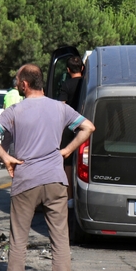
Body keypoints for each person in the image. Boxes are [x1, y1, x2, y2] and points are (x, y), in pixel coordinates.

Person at [0, 63, 95, 271]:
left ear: (24, 84)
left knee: (19, 239)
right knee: (60, 240)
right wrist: (66, 151)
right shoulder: (60, 108)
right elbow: (88, 127)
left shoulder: (14, 111)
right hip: (55, 180)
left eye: (16, 80)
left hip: (26, 181)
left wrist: (5, 157)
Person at [58, 55, 84, 198]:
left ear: (68, 70)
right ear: (82, 68)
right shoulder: (86, 83)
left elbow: (61, 105)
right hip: (85, 124)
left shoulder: (66, 85)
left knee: (67, 162)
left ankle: (70, 196)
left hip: (69, 127)